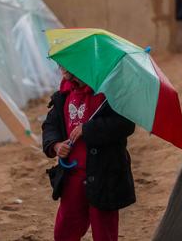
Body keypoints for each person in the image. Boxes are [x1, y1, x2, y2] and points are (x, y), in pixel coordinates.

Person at [42, 66, 136, 241]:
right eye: (58, 63)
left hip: (104, 174)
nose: (61, 66)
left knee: (104, 230)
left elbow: (126, 124)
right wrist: (55, 145)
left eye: (66, 62)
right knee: (66, 227)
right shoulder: (63, 94)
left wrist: (88, 128)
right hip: (72, 175)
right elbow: (50, 125)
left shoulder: (106, 93)